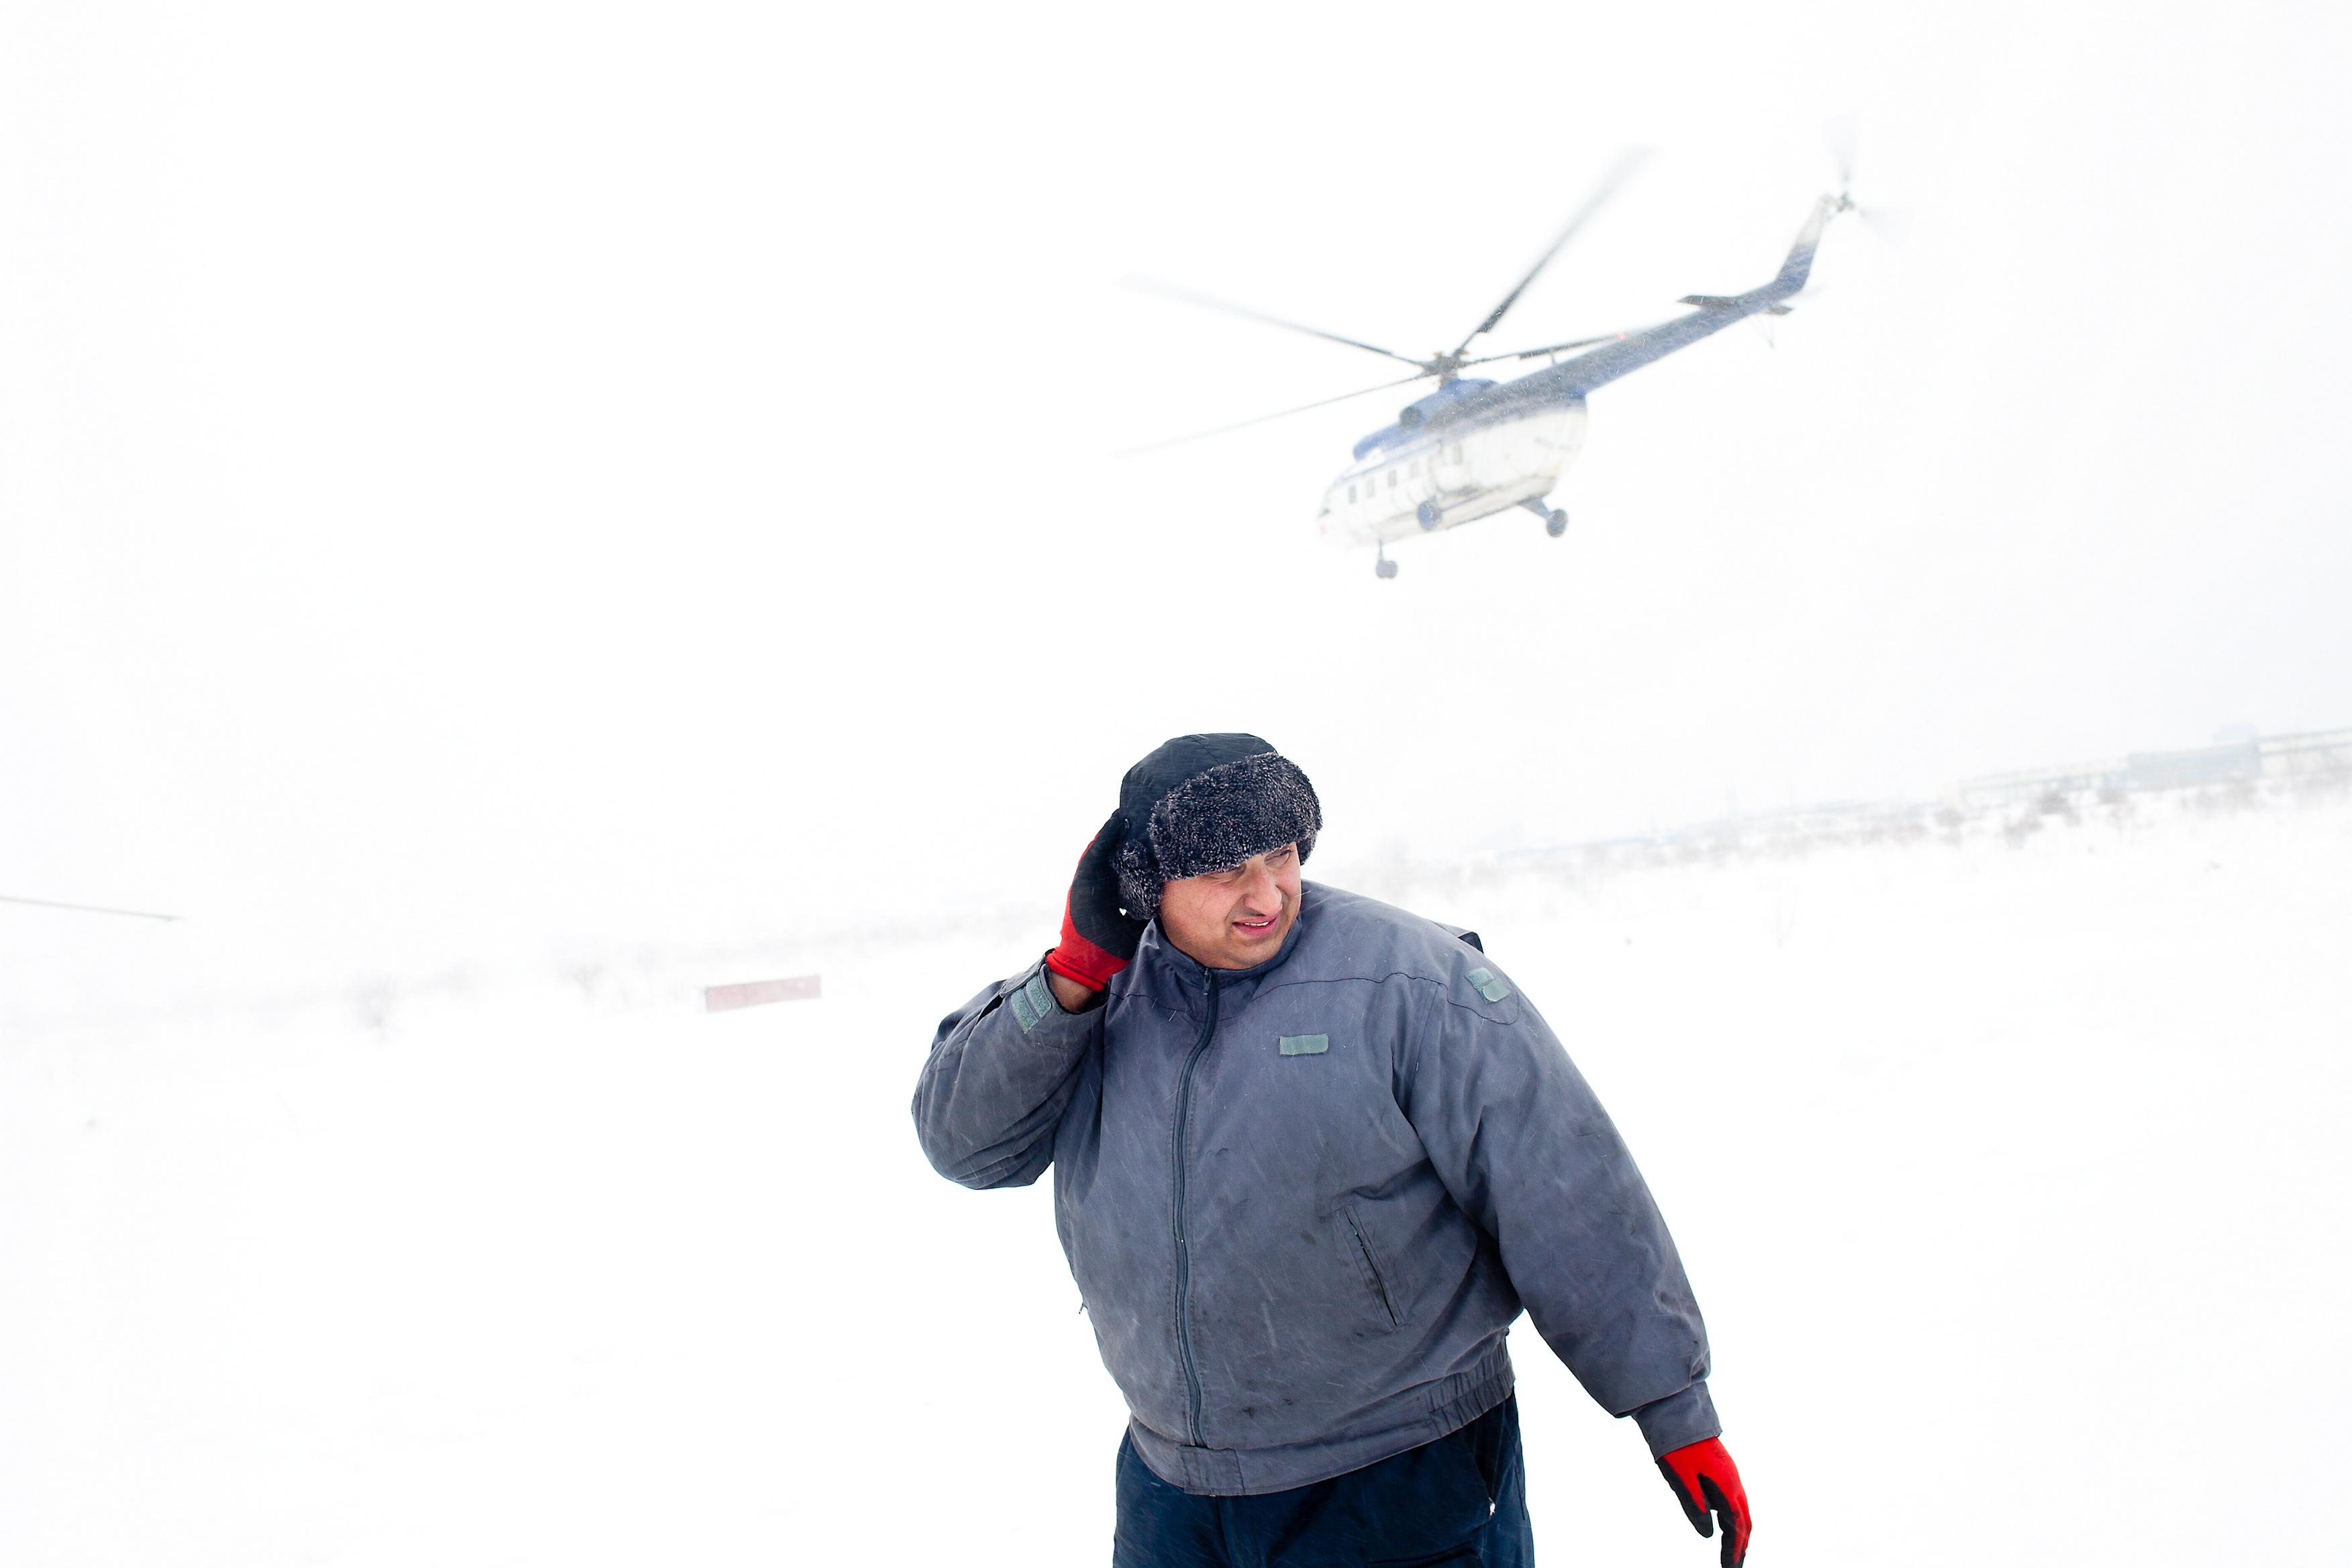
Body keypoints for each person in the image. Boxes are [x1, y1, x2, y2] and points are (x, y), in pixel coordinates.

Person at [912, 734, 1753, 1566]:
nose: (1265, 894)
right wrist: (1070, 978)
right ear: (1146, 884)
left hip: (1401, 1481)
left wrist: (1674, 1408)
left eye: (1279, 855)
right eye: (1222, 869)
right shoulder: (1098, 997)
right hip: (1172, 1496)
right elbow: (969, 1147)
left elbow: (1565, 1193)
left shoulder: (1410, 985)